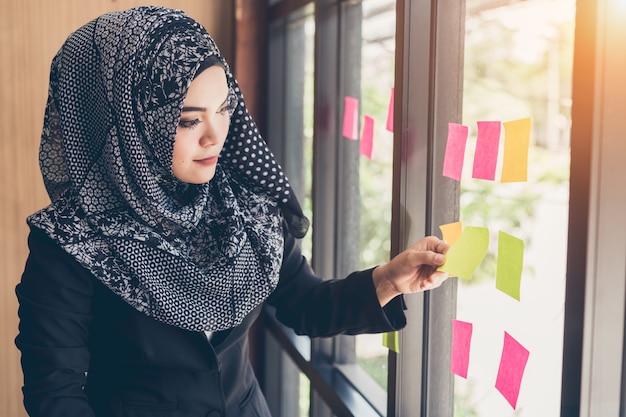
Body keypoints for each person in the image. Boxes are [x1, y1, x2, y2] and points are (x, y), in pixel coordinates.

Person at [15, 6, 449, 417]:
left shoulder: (244, 202)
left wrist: (389, 279)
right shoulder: (72, 240)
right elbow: (55, 394)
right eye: (187, 120)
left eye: (223, 109)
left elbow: (304, 304)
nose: (214, 136)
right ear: (126, 125)